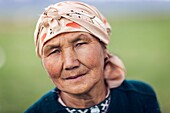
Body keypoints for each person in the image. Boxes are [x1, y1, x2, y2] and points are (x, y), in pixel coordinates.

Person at [25, 1, 161, 113]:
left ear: (104, 48)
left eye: (80, 44)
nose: (69, 63)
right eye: (54, 51)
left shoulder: (140, 98)